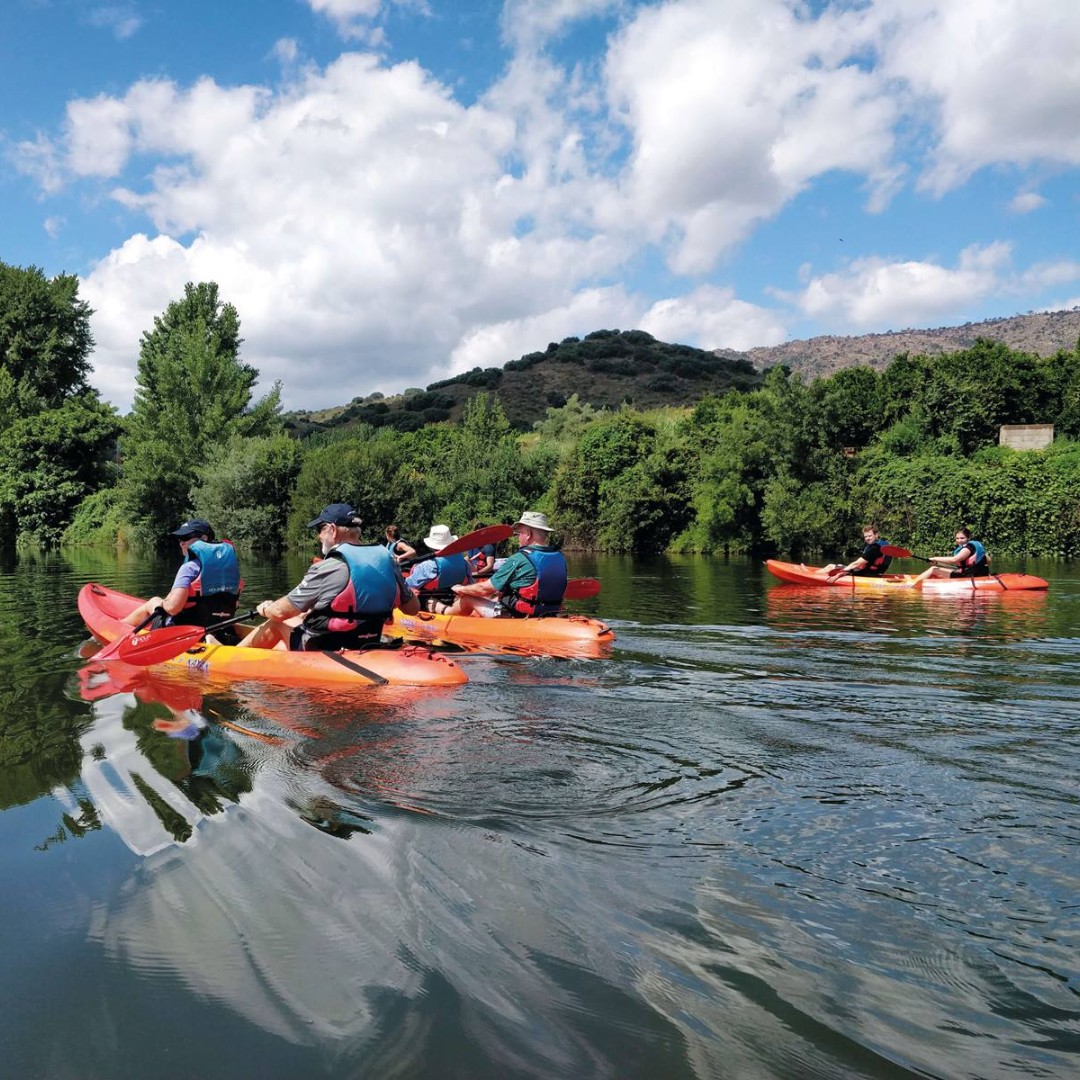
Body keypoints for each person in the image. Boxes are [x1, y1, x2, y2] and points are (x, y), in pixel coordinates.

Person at [239, 503, 418, 651]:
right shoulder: (387, 560)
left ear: (332, 530)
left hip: (325, 648)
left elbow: (280, 612)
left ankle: (233, 656)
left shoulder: (328, 567)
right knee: (298, 619)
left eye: (320, 529)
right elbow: (413, 608)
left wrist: (266, 609)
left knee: (276, 623)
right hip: (367, 641)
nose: (318, 536)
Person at [122, 518, 243, 643]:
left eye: (186, 537)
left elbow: (173, 608)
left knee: (154, 601)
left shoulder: (188, 568)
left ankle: (120, 626)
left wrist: (163, 603)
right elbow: (235, 604)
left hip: (182, 632)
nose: (181, 543)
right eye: (180, 539)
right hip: (217, 628)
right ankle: (214, 638)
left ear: (204, 538)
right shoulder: (233, 571)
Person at [448, 511, 567, 618]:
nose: (518, 538)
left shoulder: (519, 558)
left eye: (519, 533)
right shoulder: (560, 557)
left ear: (528, 534)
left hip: (515, 615)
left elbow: (485, 589)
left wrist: (461, 588)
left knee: (468, 598)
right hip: (549, 611)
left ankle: (445, 615)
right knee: (493, 597)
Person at [405, 524, 472, 614]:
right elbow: (470, 582)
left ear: (432, 546)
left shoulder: (428, 566)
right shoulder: (463, 562)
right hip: (454, 598)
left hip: (430, 602)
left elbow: (407, 586)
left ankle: (443, 609)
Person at [908, 527, 990, 586]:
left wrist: (934, 558)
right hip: (980, 573)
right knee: (937, 568)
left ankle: (912, 584)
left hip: (968, 576)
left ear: (968, 538)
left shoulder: (968, 548)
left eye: (962, 538)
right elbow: (989, 561)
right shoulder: (976, 546)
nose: (959, 540)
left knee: (933, 569)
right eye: (957, 538)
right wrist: (937, 562)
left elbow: (954, 560)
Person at [823, 524, 891, 577]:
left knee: (830, 566)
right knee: (838, 566)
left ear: (876, 535)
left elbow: (856, 564)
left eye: (870, 536)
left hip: (864, 574)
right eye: (865, 537)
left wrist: (842, 571)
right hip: (876, 574)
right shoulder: (884, 546)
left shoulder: (874, 548)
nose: (867, 538)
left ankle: (814, 577)